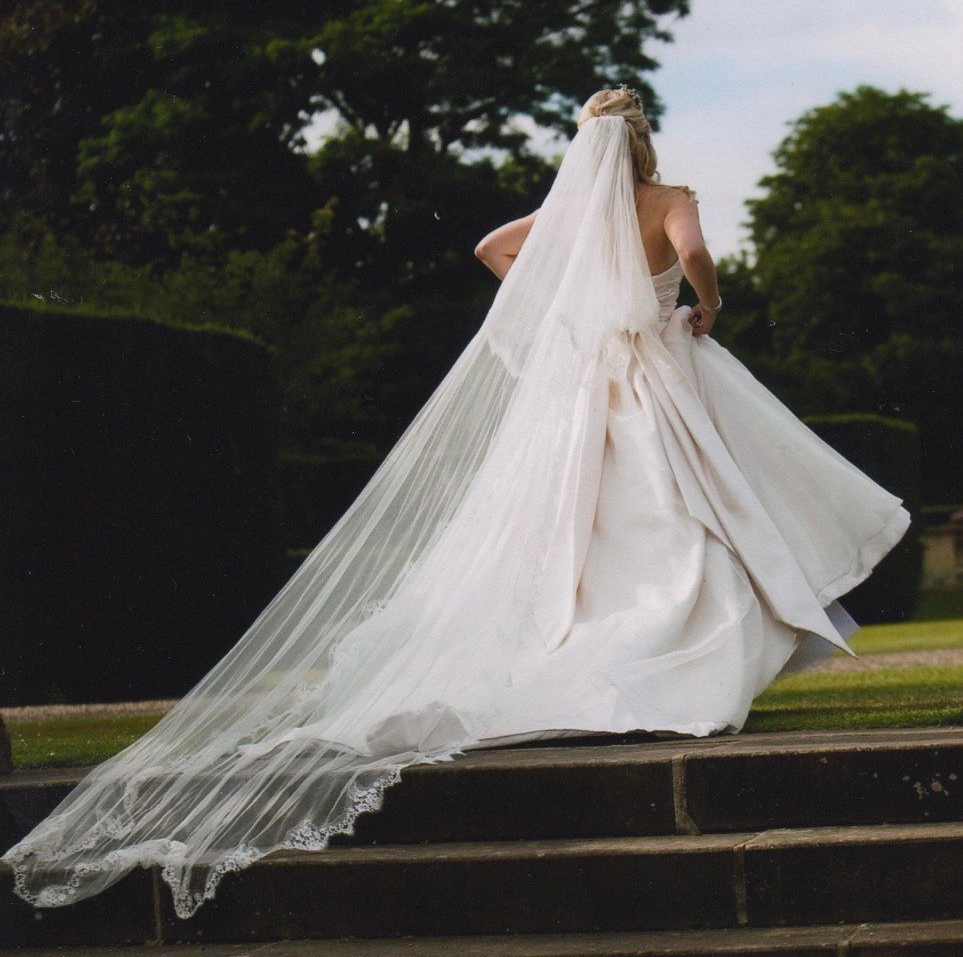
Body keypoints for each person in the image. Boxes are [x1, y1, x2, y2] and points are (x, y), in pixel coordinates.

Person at [4, 88, 909, 918]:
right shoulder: (665, 195)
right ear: (640, 142)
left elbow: (490, 248)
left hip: (584, 384)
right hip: (659, 372)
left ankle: (595, 639)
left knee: (575, 521)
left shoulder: (569, 213)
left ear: (584, 146)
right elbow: (696, 254)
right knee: (688, 506)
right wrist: (702, 305)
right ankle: (681, 645)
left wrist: (569, 297)